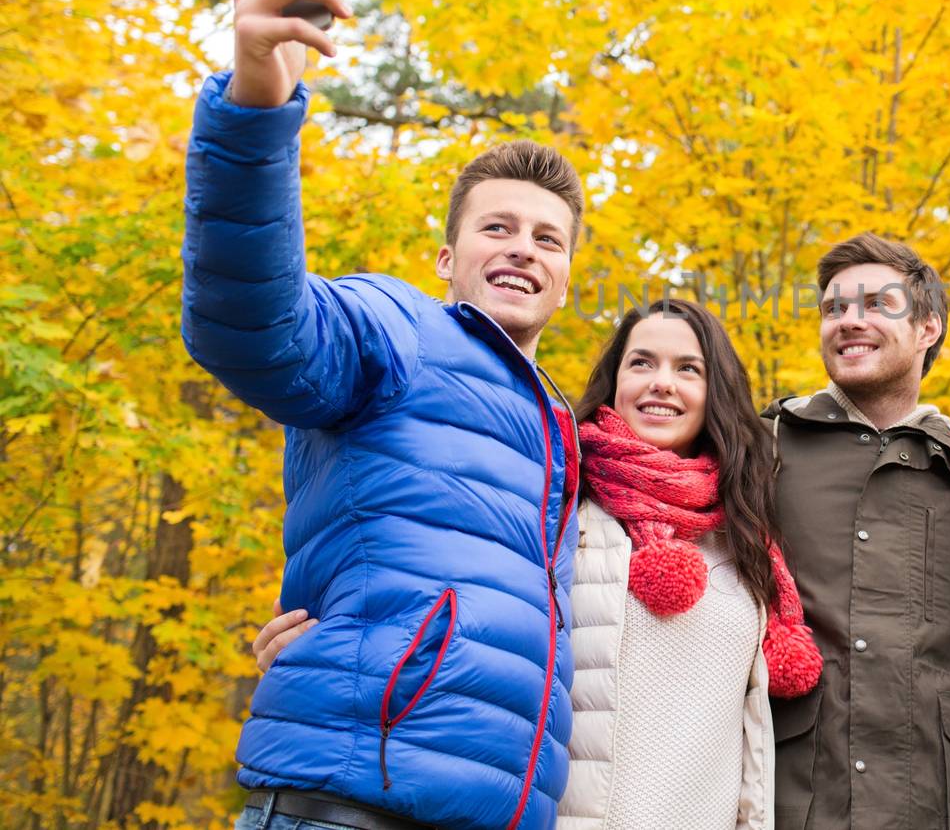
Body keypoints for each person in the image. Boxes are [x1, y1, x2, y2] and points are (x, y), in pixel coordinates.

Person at [185, 0, 581, 830]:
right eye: (497, 228)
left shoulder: (561, 430)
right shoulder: (395, 329)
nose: (522, 247)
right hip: (346, 805)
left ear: (565, 279)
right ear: (448, 257)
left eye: (547, 239)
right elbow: (253, 325)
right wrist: (257, 96)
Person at [259, 298, 825, 828]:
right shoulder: (555, 498)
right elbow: (449, 600)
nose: (661, 383)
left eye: (687, 369)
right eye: (641, 363)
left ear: (715, 391)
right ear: (614, 381)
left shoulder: (747, 535)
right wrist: (325, 653)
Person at [761, 233, 950, 830]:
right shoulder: (762, 447)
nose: (849, 321)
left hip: (947, 802)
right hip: (799, 795)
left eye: (875, 305)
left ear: (928, 329)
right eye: (834, 309)